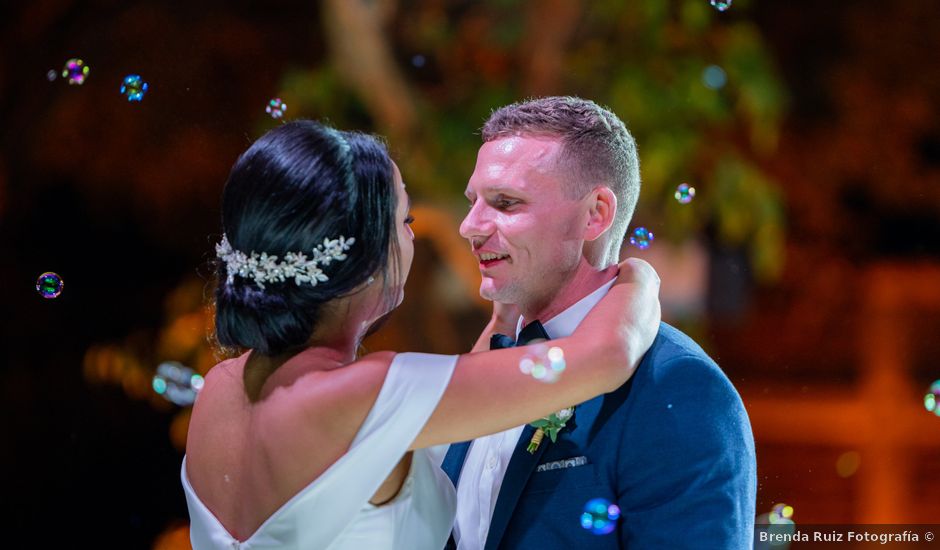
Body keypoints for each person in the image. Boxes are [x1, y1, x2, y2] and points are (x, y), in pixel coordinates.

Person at [180, 120, 662, 550]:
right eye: (405, 221)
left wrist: (500, 323)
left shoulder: (220, 392)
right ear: (367, 256)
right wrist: (638, 276)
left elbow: (439, 414)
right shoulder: (367, 393)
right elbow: (608, 354)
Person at [444, 96, 757, 549]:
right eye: (474, 201)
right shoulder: (483, 368)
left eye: (505, 202)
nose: (469, 226)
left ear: (596, 214)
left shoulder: (676, 387)